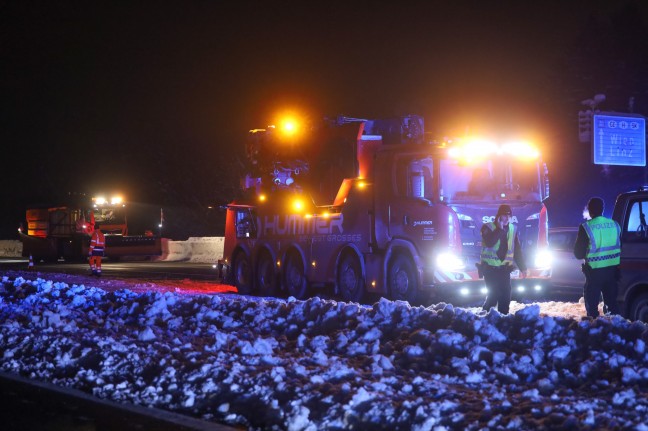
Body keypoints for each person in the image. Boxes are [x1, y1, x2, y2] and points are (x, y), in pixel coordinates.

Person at [573, 197, 621, 318]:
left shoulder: (586, 227)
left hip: (594, 273)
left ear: (589, 211)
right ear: (602, 209)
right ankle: (614, 331)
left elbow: (578, 254)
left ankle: (595, 330)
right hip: (612, 271)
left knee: (592, 309)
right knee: (612, 307)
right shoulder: (615, 225)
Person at [479, 204, 527, 314]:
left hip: (504, 269)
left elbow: (517, 250)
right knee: (493, 295)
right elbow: (490, 243)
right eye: (504, 215)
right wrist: (499, 229)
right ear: (498, 216)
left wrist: (523, 267)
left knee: (506, 294)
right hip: (489, 268)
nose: (506, 218)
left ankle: (503, 317)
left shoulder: (512, 228)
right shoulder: (487, 227)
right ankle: (484, 316)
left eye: (509, 216)